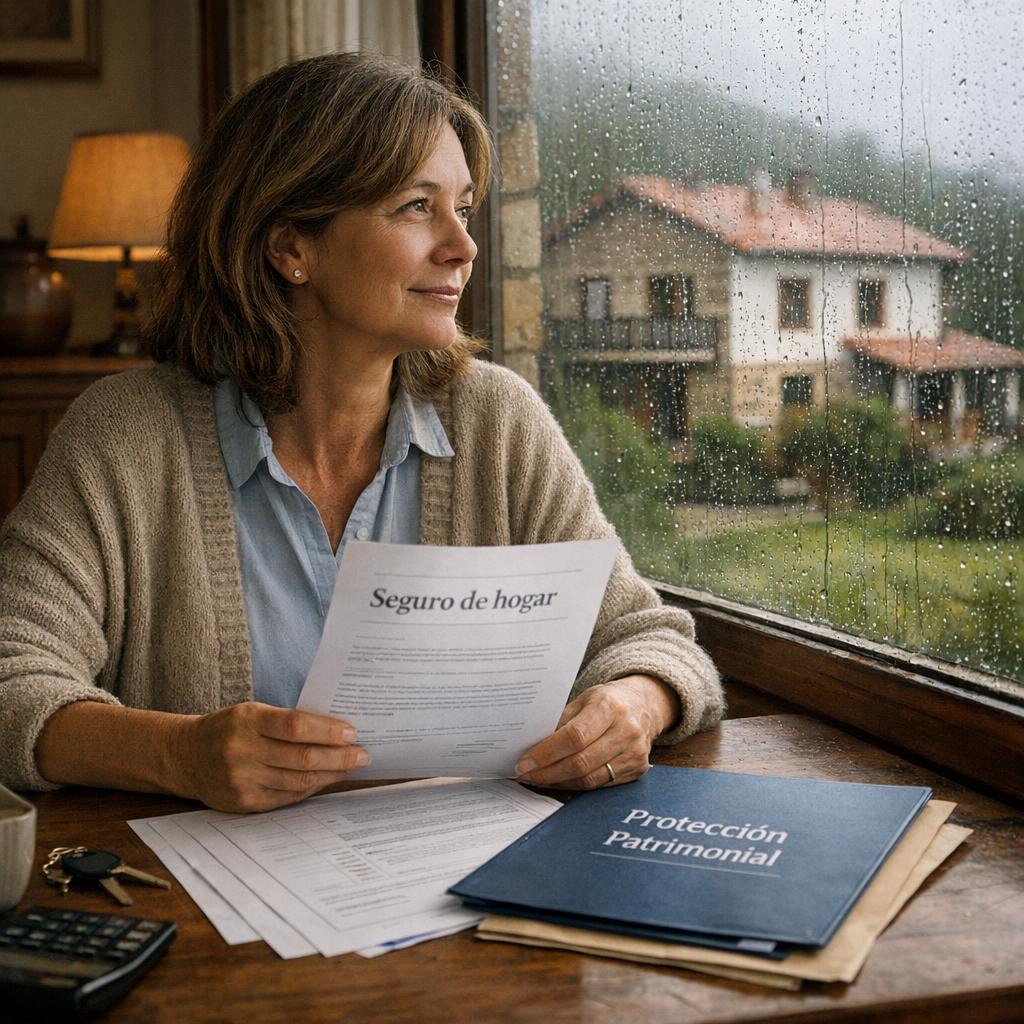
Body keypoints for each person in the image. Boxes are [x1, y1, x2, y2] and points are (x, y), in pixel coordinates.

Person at [0, 53, 723, 813]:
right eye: (416, 206)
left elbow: (651, 641)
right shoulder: (125, 436)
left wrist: (632, 706)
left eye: (463, 208)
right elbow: (12, 678)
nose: (463, 246)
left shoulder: (499, 421)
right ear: (291, 247)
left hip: (463, 870)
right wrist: (176, 754)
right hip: (190, 883)